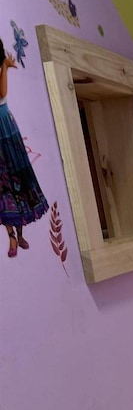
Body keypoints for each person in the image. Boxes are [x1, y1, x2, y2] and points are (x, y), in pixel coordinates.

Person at [0, 40, 49, 257]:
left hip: (5, 129)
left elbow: (1, 92)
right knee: (2, 183)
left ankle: (19, 233)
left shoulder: (0, 69)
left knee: (17, 176)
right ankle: (11, 234)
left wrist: (5, 67)